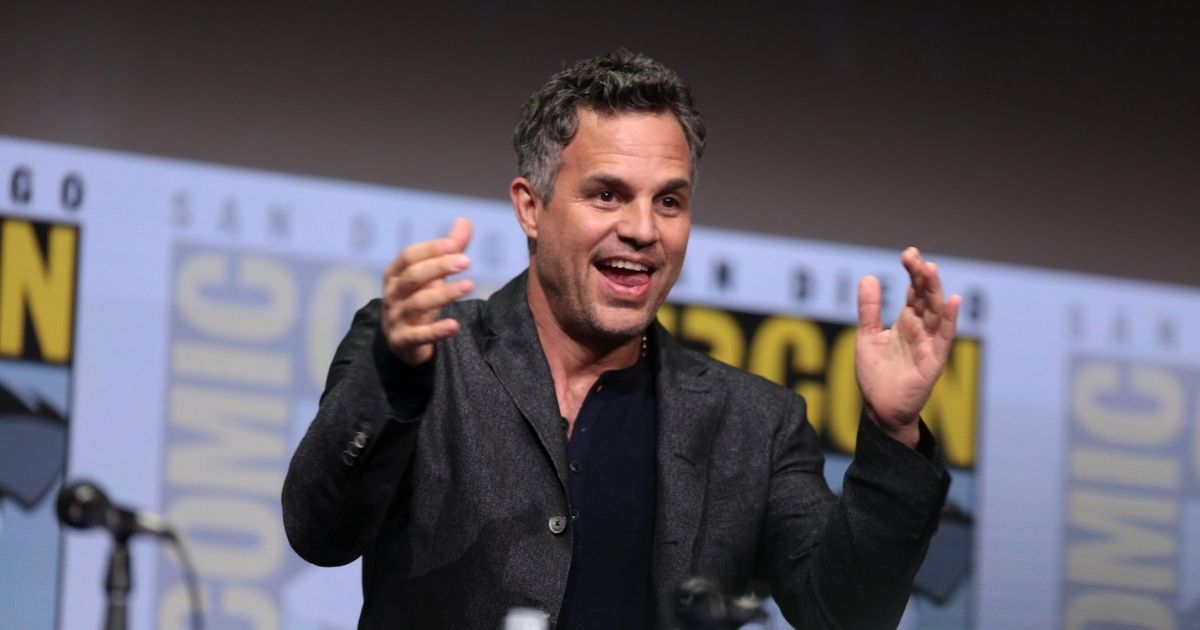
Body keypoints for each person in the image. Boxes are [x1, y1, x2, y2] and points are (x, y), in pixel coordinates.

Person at [282, 49, 958, 629]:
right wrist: (394, 375)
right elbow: (320, 532)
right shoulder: (425, 357)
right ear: (530, 206)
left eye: (669, 200)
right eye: (608, 195)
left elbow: (845, 614)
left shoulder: (752, 424)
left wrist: (893, 433)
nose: (643, 229)